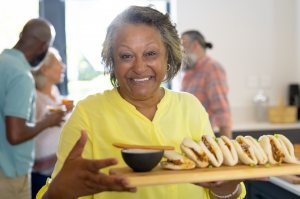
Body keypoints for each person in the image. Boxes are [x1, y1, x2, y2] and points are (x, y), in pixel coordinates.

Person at [37, 6, 268, 199]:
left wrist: (228, 187)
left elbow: (217, 189)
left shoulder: (191, 108)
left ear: (168, 56)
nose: (139, 67)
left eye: (150, 54)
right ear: (112, 63)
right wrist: (55, 194)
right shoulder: (88, 113)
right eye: (126, 56)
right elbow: (62, 189)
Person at [0, 19, 65, 199]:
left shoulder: (2, 62)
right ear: (43, 47)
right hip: (10, 173)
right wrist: (47, 122)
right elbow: (15, 134)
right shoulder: (21, 75)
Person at [31, 47, 72, 198]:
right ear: (44, 69)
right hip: (41, 170)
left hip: (58, 165)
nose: (63, 66)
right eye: (59, 62)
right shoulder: (34, 96)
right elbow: (26, 129)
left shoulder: (54, 90)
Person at [181, 30, 232, 139]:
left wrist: (229, 149)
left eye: (182, 47)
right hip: (185, 138)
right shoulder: (190, 73)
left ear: (194, 45)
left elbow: (222, 111)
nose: (180, 52)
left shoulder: (212, 68)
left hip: (202, 141)